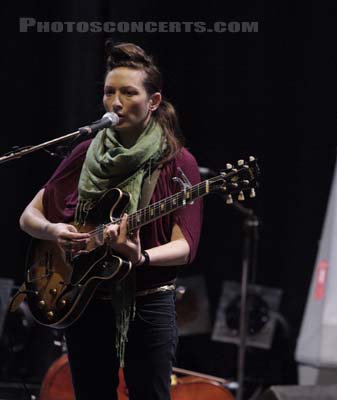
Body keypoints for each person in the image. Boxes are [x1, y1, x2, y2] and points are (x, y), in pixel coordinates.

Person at [19, 41, 203, 400]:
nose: (115, 102)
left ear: (153, 101)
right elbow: (29, 216)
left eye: (128, 92)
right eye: (109, 92)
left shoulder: (178, 162)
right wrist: (54, 229)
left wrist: (142, 257)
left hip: (148, 302)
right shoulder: (86, 151)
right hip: (85, 299)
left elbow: (186, 246)